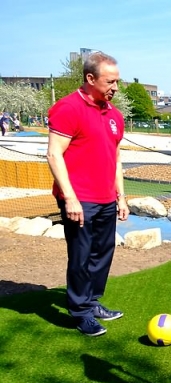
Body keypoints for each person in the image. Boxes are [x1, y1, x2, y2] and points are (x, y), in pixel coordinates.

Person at [46, 51, 129, 337]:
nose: (115, 87)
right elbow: (54, 154)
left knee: (102, 253)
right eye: (110, 82)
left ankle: (92, 302)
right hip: (79, 198)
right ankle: (81, 313)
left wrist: (121, 196)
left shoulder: (114, 114)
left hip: (106, 197)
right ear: (90, 78)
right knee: (80, 256)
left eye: (117, 82)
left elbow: (116, 158)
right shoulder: (68, 108)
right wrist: (70, 198)